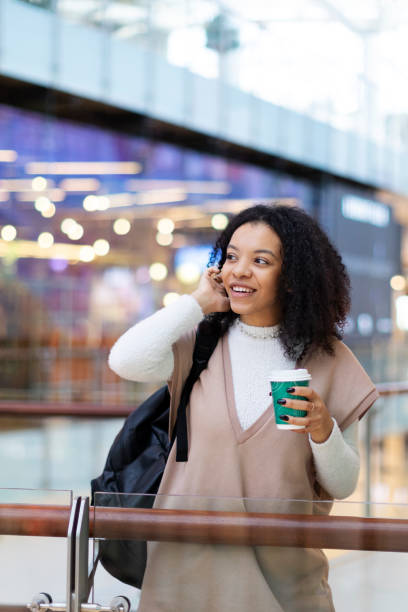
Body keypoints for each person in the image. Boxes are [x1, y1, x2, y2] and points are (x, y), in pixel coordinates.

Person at [109, 204, 379, 612]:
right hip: (184, 576)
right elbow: (125, 360)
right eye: (232, 256)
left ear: (292, 278)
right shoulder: (199, 343)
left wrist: (323, 430)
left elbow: (343, 485)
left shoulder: (331, 360)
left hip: (284, 587)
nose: (239, 270)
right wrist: (198, 302)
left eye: (261, 261)